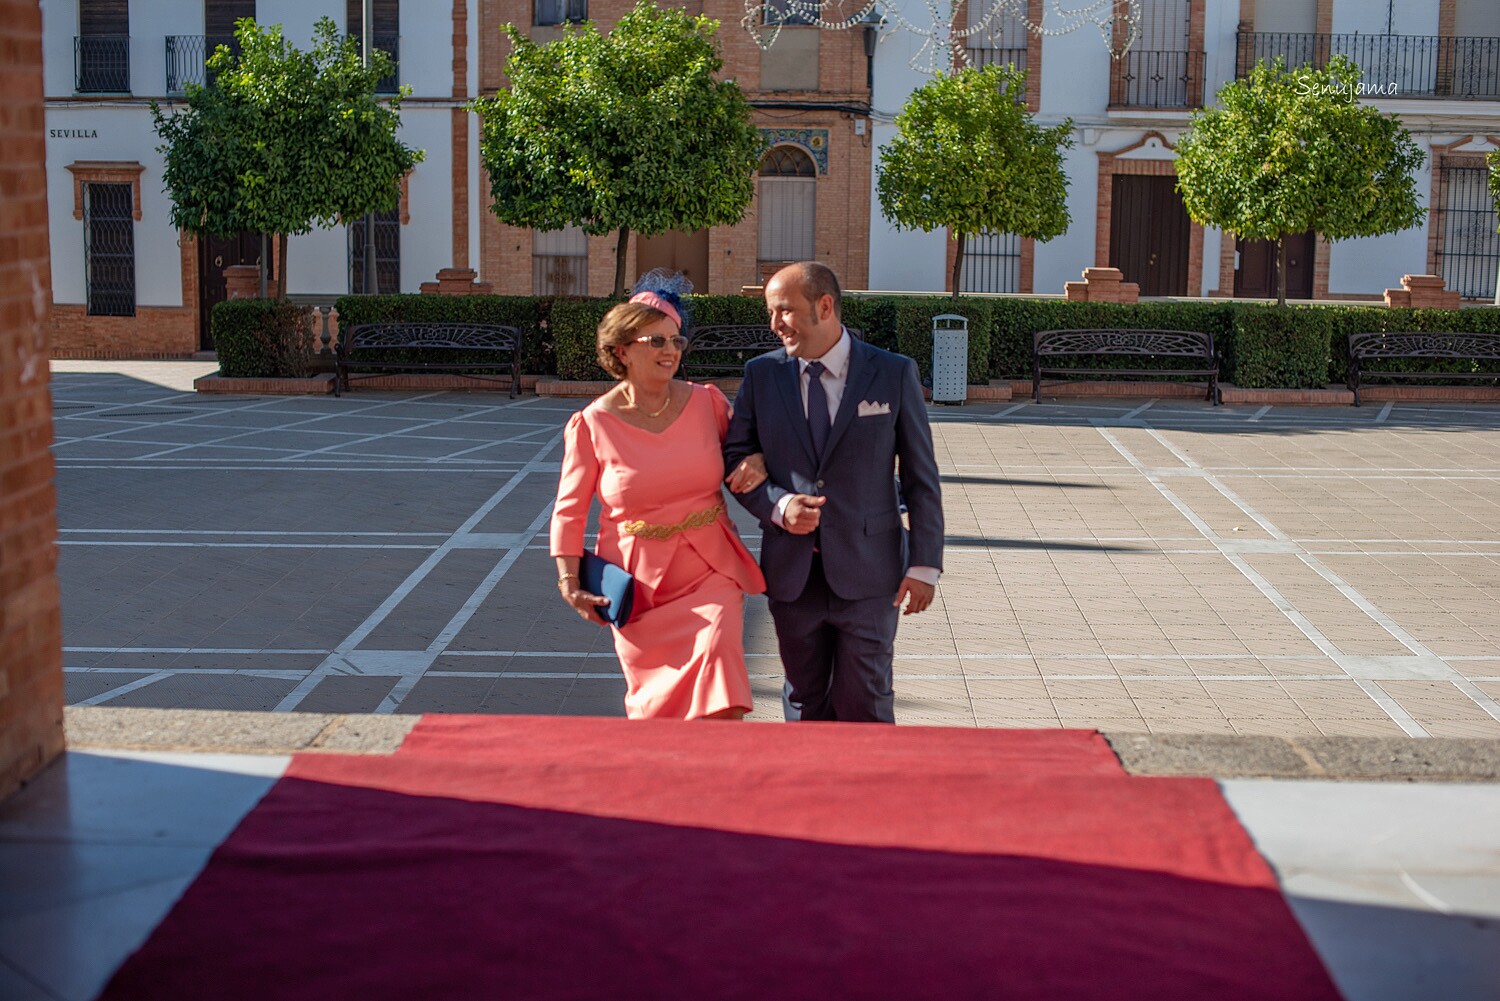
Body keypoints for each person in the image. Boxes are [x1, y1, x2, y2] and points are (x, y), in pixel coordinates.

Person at [724, 261, 943, 723]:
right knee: (805, 701)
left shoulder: (892, 373)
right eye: (770, 311)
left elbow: (922, 478)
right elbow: (736, 459)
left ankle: (870, 793)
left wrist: (925, 565)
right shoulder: (762, 375)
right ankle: (811, 793)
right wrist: (780, 506)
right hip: (792, 576)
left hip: (871, 574)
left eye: (783, 310)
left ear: (825, 306)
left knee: (865, 697)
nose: (774, 324)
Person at [551, 273, 769, 720]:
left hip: (710, 570)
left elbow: (744, 456)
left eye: (676, 340)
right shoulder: (592, 424)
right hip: (638, 588)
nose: (670, 351)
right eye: (655, 340)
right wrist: (569, 582)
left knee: (721, 677)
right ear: (621, 350)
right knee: (655, 714)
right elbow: (569, 511)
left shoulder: (708, 404)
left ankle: (726, 784)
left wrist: (761, 460)